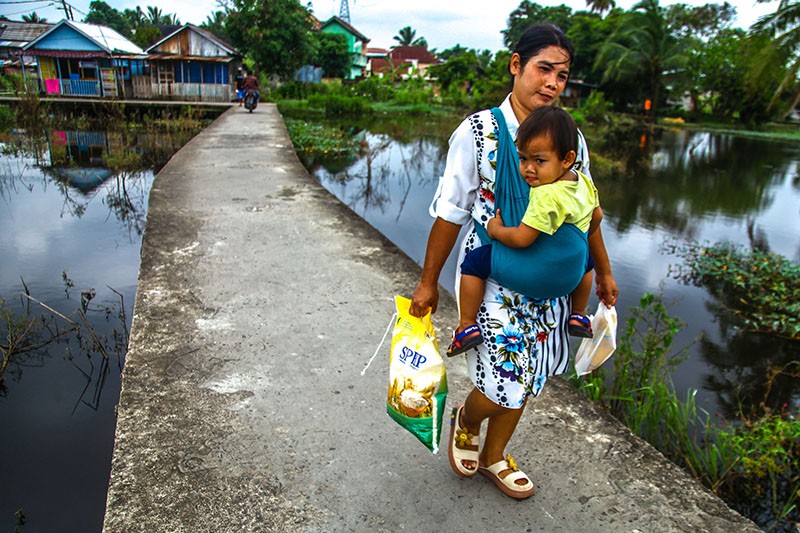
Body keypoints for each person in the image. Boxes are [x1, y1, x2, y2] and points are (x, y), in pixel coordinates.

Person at [409, 24, 618, 500]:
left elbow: (587, 213)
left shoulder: (570, 138)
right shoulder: (479, 133)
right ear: (516, 64)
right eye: (544, 69)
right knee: (505, 378)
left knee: (530, 376)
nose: (552, 83)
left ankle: (493, 455)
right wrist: (427, 282)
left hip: (550, 282)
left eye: (562, 76)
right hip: (495, 273)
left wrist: (603, 272)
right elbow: (450, 212)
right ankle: (468, 419)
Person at [447, 105, 602, 358]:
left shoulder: (545, 194)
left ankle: (466, 326)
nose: (529, 169)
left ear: (567, 158)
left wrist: (495, 230)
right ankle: (579, 314)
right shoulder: (583, 182)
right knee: (588, 261)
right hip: (570, 278)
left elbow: (522, 239)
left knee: (475, 262)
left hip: (537, 276)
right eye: (523, 159)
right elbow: (597, 217)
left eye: (539, 161)